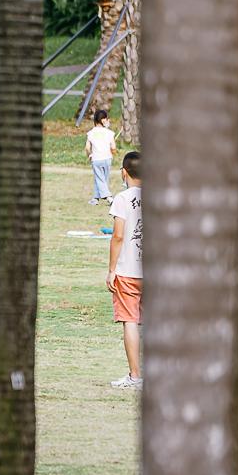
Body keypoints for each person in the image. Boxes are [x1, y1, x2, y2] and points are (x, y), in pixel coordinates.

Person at [108, 150, 142, 391]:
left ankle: (135, 375)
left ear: (124, 172)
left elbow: (118, 236)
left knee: (130, 321)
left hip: (128, 270)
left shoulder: (122, 198)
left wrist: (111, 270)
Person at [85, 107, 117, 204]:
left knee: (99, 178)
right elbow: (113, 146)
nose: (108, 121)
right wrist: (113, 152)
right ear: (103, 120)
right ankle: (95, 198)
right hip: (107, 159)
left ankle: (108, 197)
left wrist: (89, 155)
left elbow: (87, 147)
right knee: (103, 179)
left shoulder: (91, 133)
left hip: (96, 159)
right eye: (107, 119)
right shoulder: (109, 133)